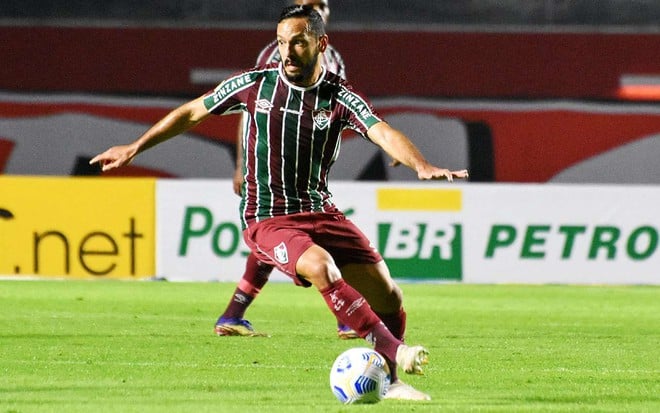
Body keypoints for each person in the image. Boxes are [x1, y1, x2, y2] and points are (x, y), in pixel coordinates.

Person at [90, 5, 468, 400]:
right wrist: (136, 146)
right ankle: (394, 352)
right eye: (282, 43)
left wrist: (420, 165)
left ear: (320, 44)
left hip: (321, 210)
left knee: (389, 295)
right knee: (321, 267)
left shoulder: (339, 95)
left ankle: (390, 383)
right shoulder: (255, 84)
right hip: (268, 216)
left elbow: (382, 131)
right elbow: (191, 112)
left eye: (298, 43)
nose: (287, 52)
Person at [215, 0, 358, 340]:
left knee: (281, 239)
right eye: (306, 4)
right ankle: (346, 318)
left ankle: (233, 314)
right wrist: (241, 164)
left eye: (320, 4)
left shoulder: (332, 58)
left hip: (305, 170)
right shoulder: (273, 56)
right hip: (270, 167)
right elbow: (247, 109)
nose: (315, 9)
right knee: (298, 235)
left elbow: (338, 112)